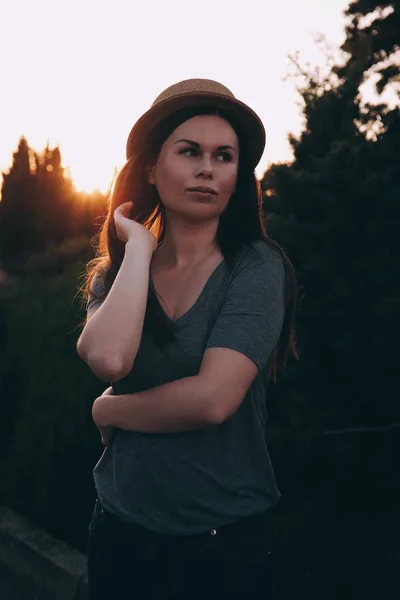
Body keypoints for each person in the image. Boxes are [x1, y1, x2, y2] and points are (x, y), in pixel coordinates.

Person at [77, 78, 298, 600]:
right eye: (189, 151)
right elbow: (109, 357)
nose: (207, 168)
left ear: (238, 175)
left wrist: (108, 413)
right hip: (119, 529)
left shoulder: (256, 267)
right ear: (152, 168)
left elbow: (213, 399)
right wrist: (137, 250)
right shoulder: (117, 277)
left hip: (223, 548)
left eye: (224, 156)